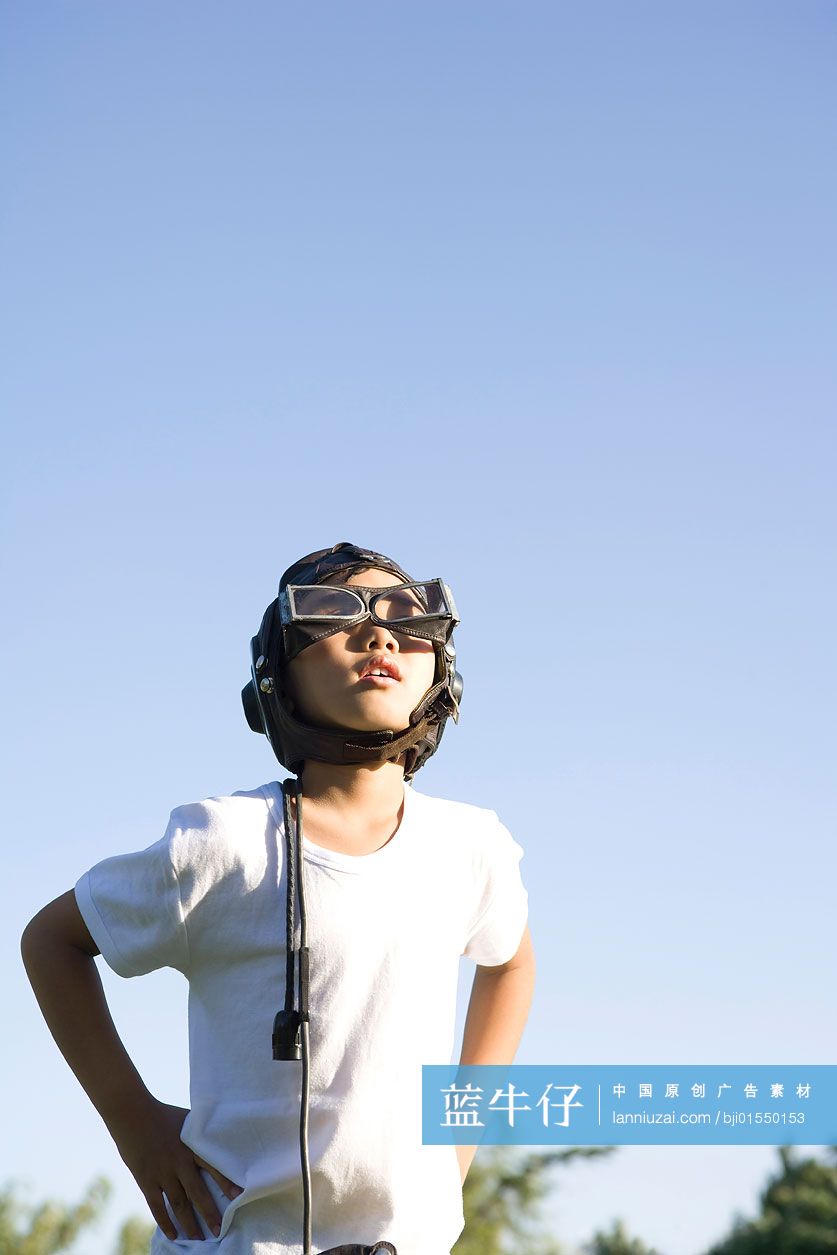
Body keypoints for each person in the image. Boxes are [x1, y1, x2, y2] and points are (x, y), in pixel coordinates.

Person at [20, 541, 536, 1255]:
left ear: (440, 669)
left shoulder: (470, 845)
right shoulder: (222, 839)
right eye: (331, 613)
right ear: (275, 676)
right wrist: (133, 1123)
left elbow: (510, 961)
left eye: (407, 616)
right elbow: (51, 940)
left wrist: (457, 1143)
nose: (378, 633)